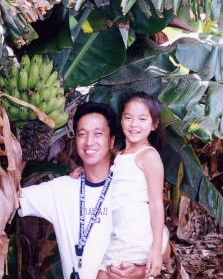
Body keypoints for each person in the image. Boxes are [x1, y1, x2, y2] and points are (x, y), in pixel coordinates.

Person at [18, 102, 155, 279]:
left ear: (111, 141)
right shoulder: (60, 190)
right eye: (82, 134)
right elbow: (8, 199)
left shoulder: (130, 185)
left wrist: (140, 271)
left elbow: (163, 246)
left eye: (98, 134)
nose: (89, 142)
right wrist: (24, 150)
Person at [97, 92, 166, 279]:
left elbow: (156, 204)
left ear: (154, 124)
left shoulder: (148, 156)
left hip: (135, 234)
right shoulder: (120, 154)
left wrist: (156, 249)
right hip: (121, 233)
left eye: (142, 119)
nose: (134, 124)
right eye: (128, 117)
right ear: (121, 120)